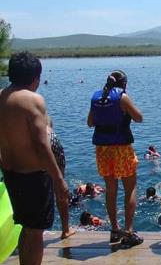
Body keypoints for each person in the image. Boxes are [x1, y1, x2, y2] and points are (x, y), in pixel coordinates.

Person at [0, 51, 69, 265]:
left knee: (27, 228)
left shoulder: (2, 97)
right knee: (36, 231)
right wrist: (58, 179)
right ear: (35, 77)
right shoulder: (32, 100)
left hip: (11, 173)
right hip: (33, 176)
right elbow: (42, 144)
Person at [87, 70, 144, 247]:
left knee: (111, 190)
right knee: (130, 188)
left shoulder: (97, 97)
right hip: (121, 148)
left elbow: (90, 122)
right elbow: (139, 118)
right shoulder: (122, 97)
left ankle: (114, 229)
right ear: (124, 83)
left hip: (103, 150)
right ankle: (128, 231)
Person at [47, 116, 76, 239]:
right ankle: (65, 230)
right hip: (48, 139)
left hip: (25, 143)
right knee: (59, 187)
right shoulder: (34, 100)